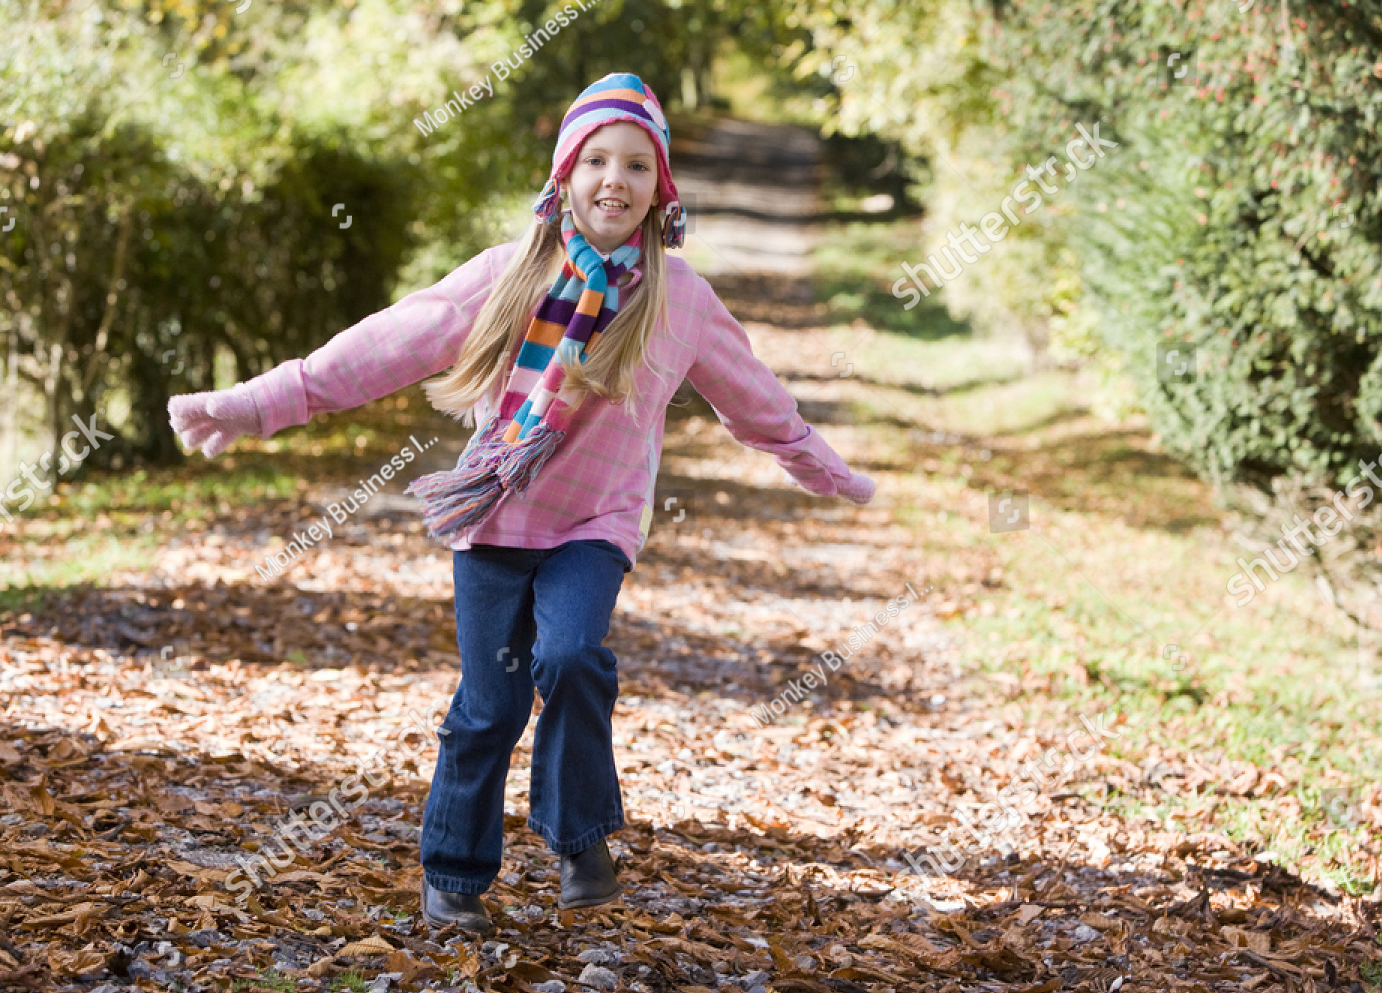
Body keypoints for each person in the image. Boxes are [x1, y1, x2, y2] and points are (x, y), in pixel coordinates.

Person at [169, 73, 875, 935]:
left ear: (660, 192)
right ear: (565, 175)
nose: (615, 180)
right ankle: (454, 872)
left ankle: (579, 836)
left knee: (572, 656)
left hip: (597, 524)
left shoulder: (678, 297)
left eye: (637, 167)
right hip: (496, 515)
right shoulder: (511, 274)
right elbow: (384, 344)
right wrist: (259, 403)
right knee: (490, 705)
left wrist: (824, 466)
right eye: (597, 161)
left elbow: (754, 396)